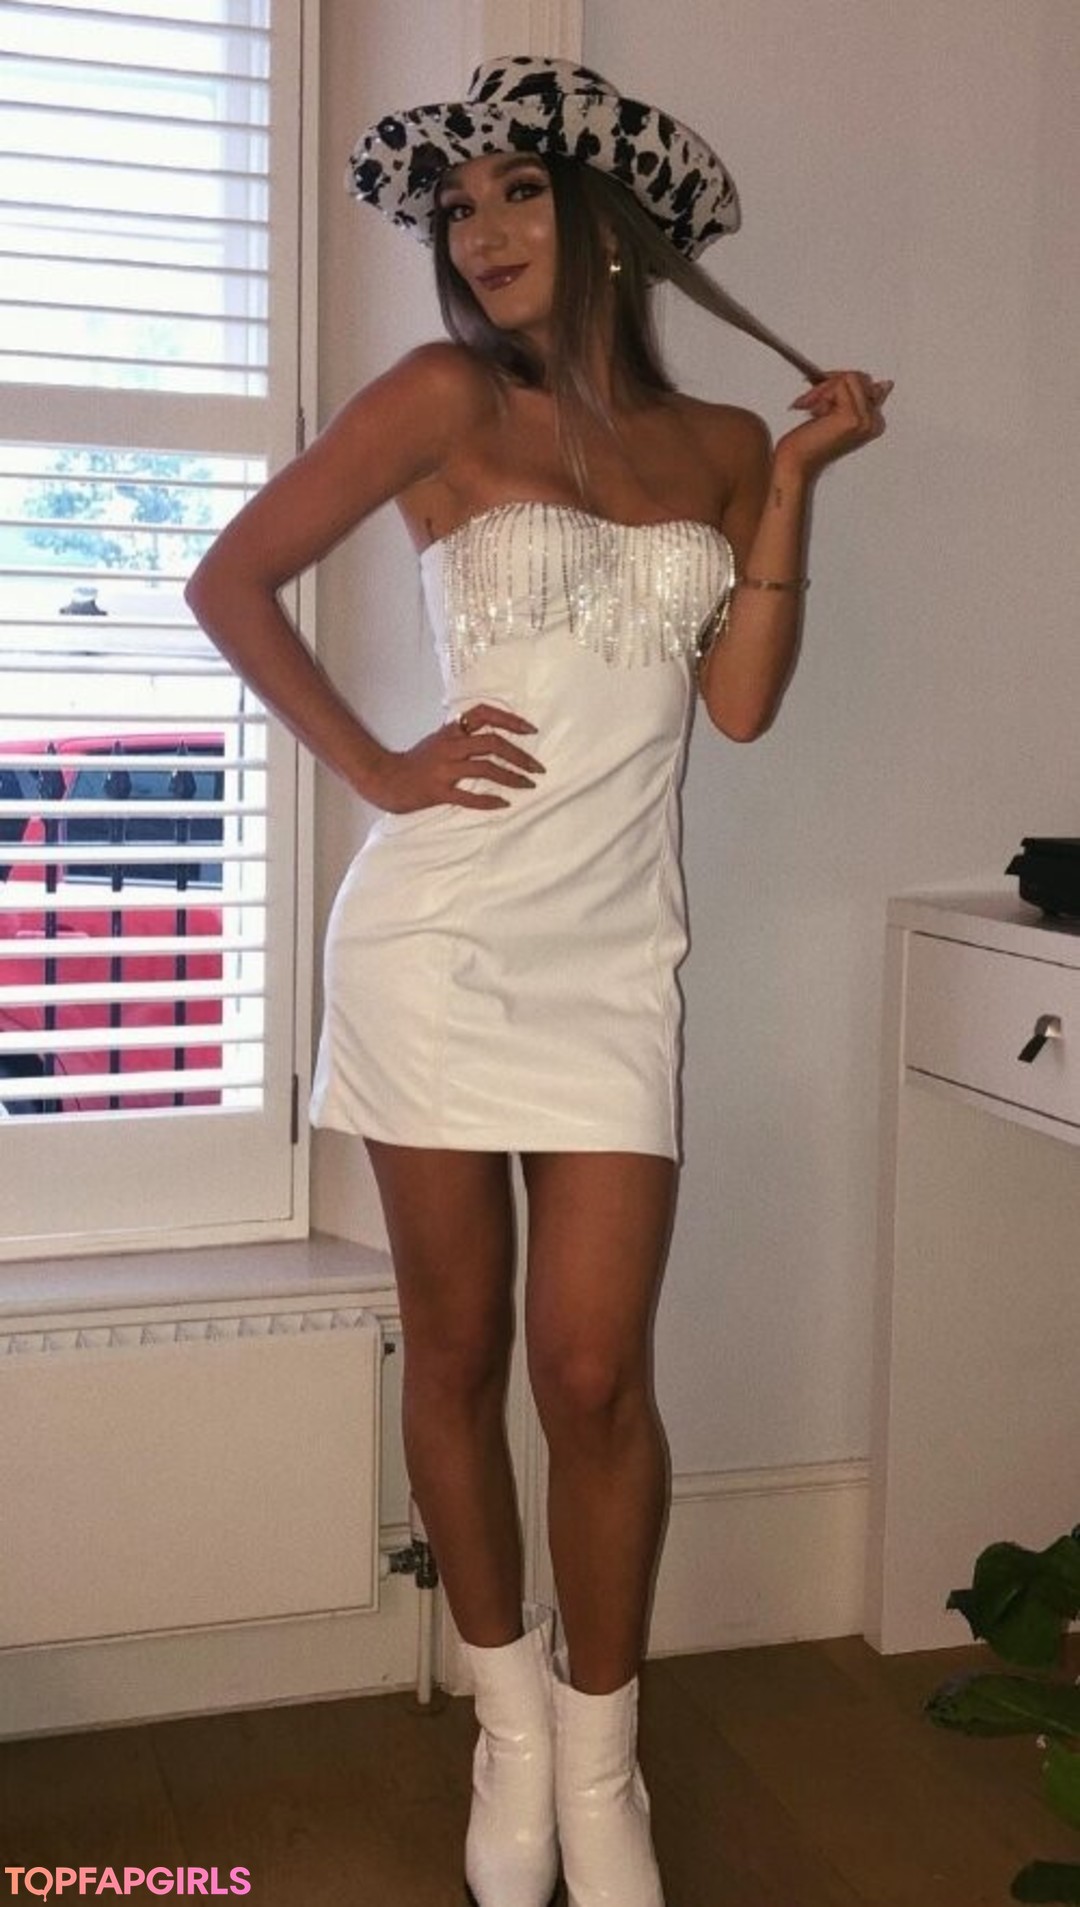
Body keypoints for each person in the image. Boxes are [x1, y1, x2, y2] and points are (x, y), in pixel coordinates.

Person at [185, 54, 891, 1907]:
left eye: (518, 193)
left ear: (607, 222)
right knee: (459, 1350)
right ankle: (510, 1745)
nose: (482, 231)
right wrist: (377, 765)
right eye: (459, 207)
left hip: (614, 956)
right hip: (437, 944)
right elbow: (229, 581)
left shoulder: (722, 441)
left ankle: (603, 1762)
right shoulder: (442, 399)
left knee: (594, 1374)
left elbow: (739, 706)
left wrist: (793, 483)